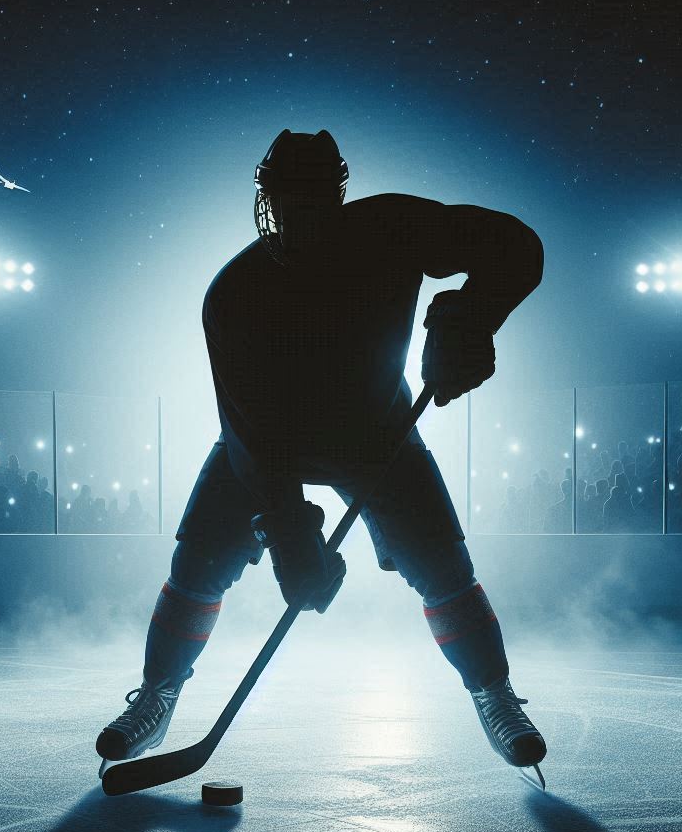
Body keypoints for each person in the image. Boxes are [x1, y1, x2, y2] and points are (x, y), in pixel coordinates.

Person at [96, 129, 546, 778]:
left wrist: (472, 318)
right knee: (198, 559)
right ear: (269, 197)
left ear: (337, 193)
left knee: (444, 566)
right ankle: (160, 692)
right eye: (289, 198)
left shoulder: (392, 226)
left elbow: (516, 247)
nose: (301, 213)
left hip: (377, 433)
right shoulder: (235, 295)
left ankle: (493, 692)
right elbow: (251, 431)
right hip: (266, 441)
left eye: (313, 198)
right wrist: (288, 534)